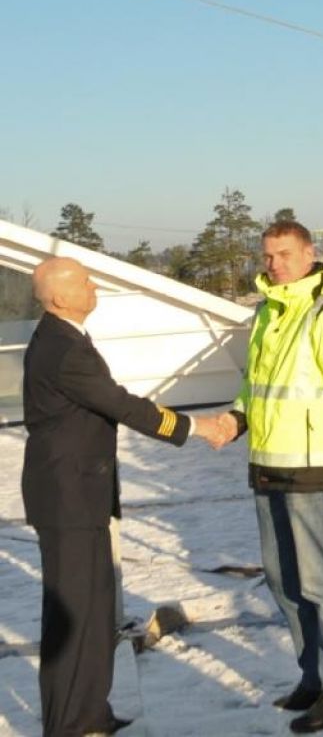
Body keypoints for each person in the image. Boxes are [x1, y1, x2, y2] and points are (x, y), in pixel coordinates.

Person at [21, 256, 226, 737]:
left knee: (94, 611)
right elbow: (121, 405)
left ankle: (91, 712)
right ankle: (70, 724)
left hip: (80, 495)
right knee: (73, 617)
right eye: (85, 281)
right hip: (68, 500)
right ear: (59, 296)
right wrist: (200, 427)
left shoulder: (64, 337)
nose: (95, 287)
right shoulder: (64, 348)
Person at [218, 220, 323, 734]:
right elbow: (255, 384)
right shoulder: (269, 311)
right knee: (284, 581)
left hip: (312, 467)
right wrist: (235, 420)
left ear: (310, 253)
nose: (273, 265)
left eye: (283, 255)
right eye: (267, 256)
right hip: (267, 462)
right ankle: (314, 677)